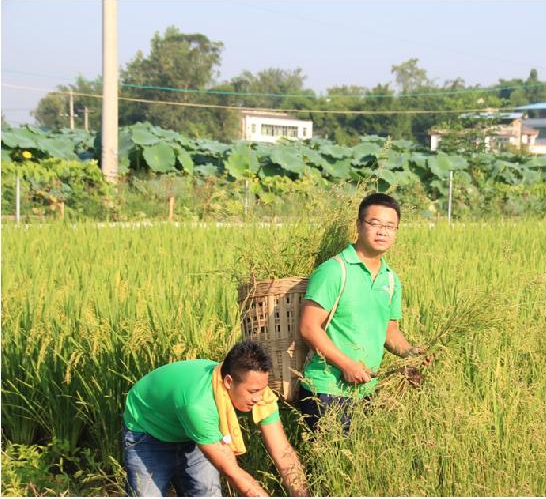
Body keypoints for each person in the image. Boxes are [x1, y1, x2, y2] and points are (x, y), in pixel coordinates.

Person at [298, 192, 423, 433]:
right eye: (374, 223)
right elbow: (308, 327)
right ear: (358, 225)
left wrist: (411, 354)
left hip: (367, 389)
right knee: (328, 466)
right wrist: (347, 365)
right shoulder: (334, 271)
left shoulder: (391, 279)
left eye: (390, 226)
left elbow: (390, 331)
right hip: (326, 389)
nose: (382, 231)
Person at [122, 340, 308, 497]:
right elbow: (232, 473)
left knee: (207, 493)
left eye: (261, 390)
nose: (258, 397)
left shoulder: (259, 392)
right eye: (252, 392)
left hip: (194, 432)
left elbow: (283, 453)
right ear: (228, 381)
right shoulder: (198, 404)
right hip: (148, 431)